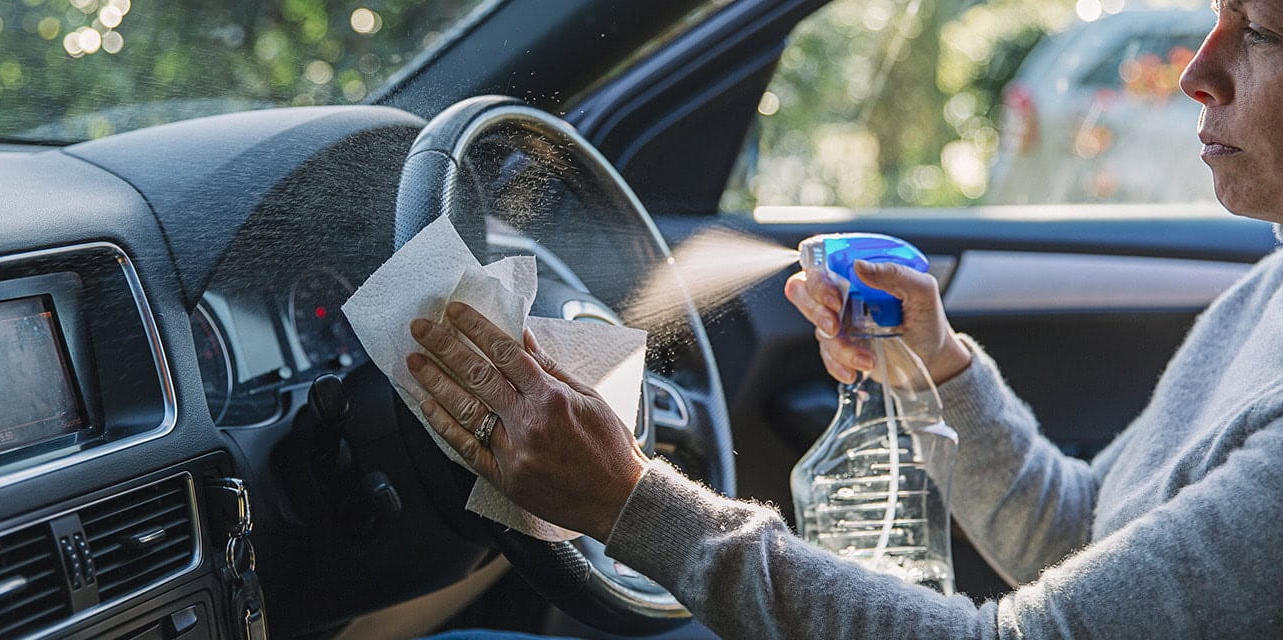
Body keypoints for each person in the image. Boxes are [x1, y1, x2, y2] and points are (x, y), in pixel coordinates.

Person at [406, 1, 1283, 637]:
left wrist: (629, 500)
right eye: (1217, 15)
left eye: (1258, 33)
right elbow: (1085, 535)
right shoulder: (1271, 282)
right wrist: (930, 365)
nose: (1196, 74)